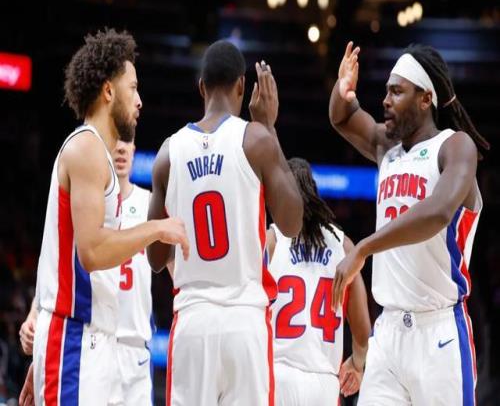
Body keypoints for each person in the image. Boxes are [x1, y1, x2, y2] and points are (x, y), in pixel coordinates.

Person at [22, 29, 189, 406]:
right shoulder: (86, 149)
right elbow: (92, 252)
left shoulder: (96, 153)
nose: (140, 100)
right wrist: (156, 227)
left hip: (91, 343)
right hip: (75, 340)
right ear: (109, 91)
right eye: (133, 88)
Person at [329, 41, 489, 405]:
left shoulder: (455, 146)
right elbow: (341, 117)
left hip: (439, 332)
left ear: (425, 98)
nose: (385, 100)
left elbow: (438, 212)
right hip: (387, 334)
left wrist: (364, 248)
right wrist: (343, 89)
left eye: (396, 92)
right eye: (386, 91)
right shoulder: (387, 148)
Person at [147, 40, 303, 406]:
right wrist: (269, 126)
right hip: (244, 321)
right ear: (242, 86)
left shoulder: (168, 153)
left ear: (201, 87)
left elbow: (155, 259)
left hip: (193, 320)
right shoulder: (256, 139)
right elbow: (293, 223)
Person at [267, 157, 371, 405]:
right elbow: (362, 330)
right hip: (324, 384)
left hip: (278, 376)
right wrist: (357, 363)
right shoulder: (344, 246)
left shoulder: (272, 240)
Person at [110, 140, 155, 406]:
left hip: (136, 346)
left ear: (134, 149)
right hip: (99, 340)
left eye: (127, 141)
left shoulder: (148, 203)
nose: (121, 149)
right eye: (116, 139)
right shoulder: (90, 204)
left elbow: (176, 270)